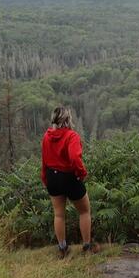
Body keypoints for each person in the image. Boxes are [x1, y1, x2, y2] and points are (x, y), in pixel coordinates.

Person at [40, 106, 95, 257]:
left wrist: (45, 178)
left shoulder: (46, 136)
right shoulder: (72, 136)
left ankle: (63, 248)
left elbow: (44, 160)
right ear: (68, 119)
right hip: (69, 177)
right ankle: (87, 247)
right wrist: (82, 173)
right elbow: (75, 158)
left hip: (52, 177)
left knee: (59, 215)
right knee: (84, 211)